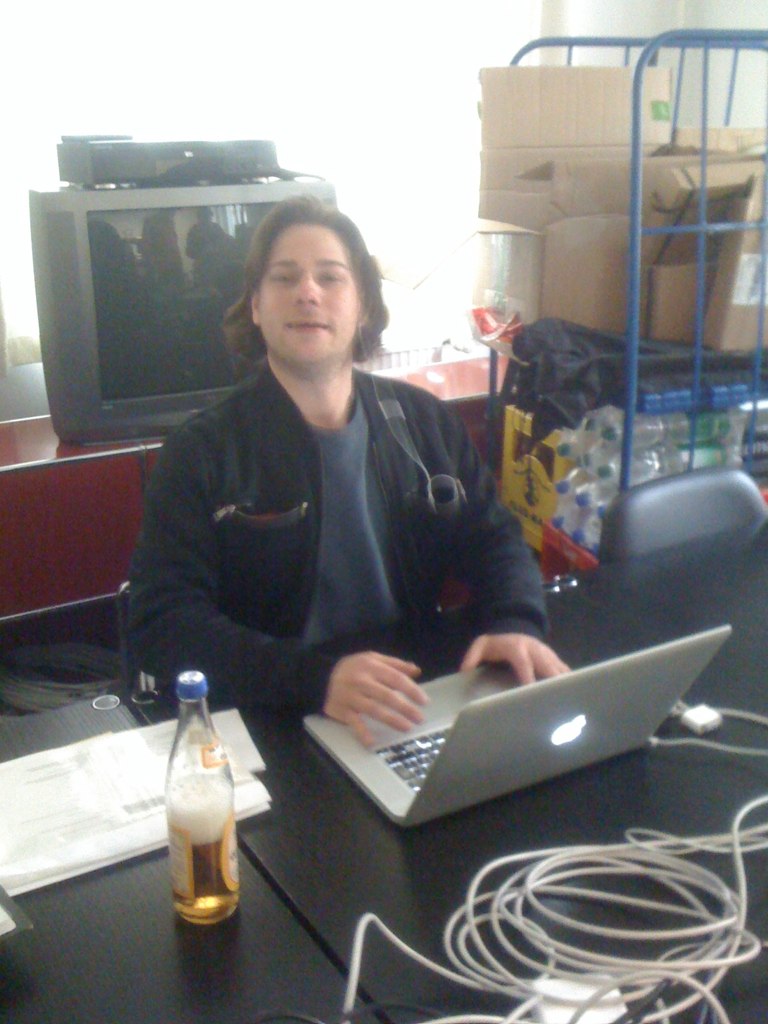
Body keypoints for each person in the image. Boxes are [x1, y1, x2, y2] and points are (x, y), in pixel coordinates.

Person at [128, 196, 568, 746]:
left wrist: (515, 622)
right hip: (270, 718)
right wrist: (315, 678)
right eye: (284, 277)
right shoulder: (200, 453)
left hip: (405, 702)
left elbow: (493, 536)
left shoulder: (424, 422)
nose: (307, 292)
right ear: (256, 307)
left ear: (362, 306)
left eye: (330, 278)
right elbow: (160, 622)